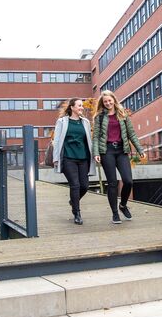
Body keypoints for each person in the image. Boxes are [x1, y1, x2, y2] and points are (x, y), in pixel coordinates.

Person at [92, 90, 145, 224]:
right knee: (112, 183)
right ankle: (115, 213)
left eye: (110, 100)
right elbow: (96, 137)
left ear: (114, 100)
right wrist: (96, 153)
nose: (108, 103)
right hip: (107, 151)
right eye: (105, 102)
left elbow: (131, 134)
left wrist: (140, 150)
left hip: (122, 150)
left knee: (128, 181)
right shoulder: (99, 117)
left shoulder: (123, 115)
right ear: (102, 103)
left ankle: (123, 205)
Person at [53, 98, 95, 225]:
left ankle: (73, 200)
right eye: (79, 105)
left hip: (83, 158)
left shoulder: (86, 122)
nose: (82, 107)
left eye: (82, 106)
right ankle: (76, 212)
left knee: (84, 186)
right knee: (75, 185)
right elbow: (57, 140)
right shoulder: (62, 121)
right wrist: (56, 158)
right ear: (72, 107)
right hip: (68, 157)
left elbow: (89, 141)